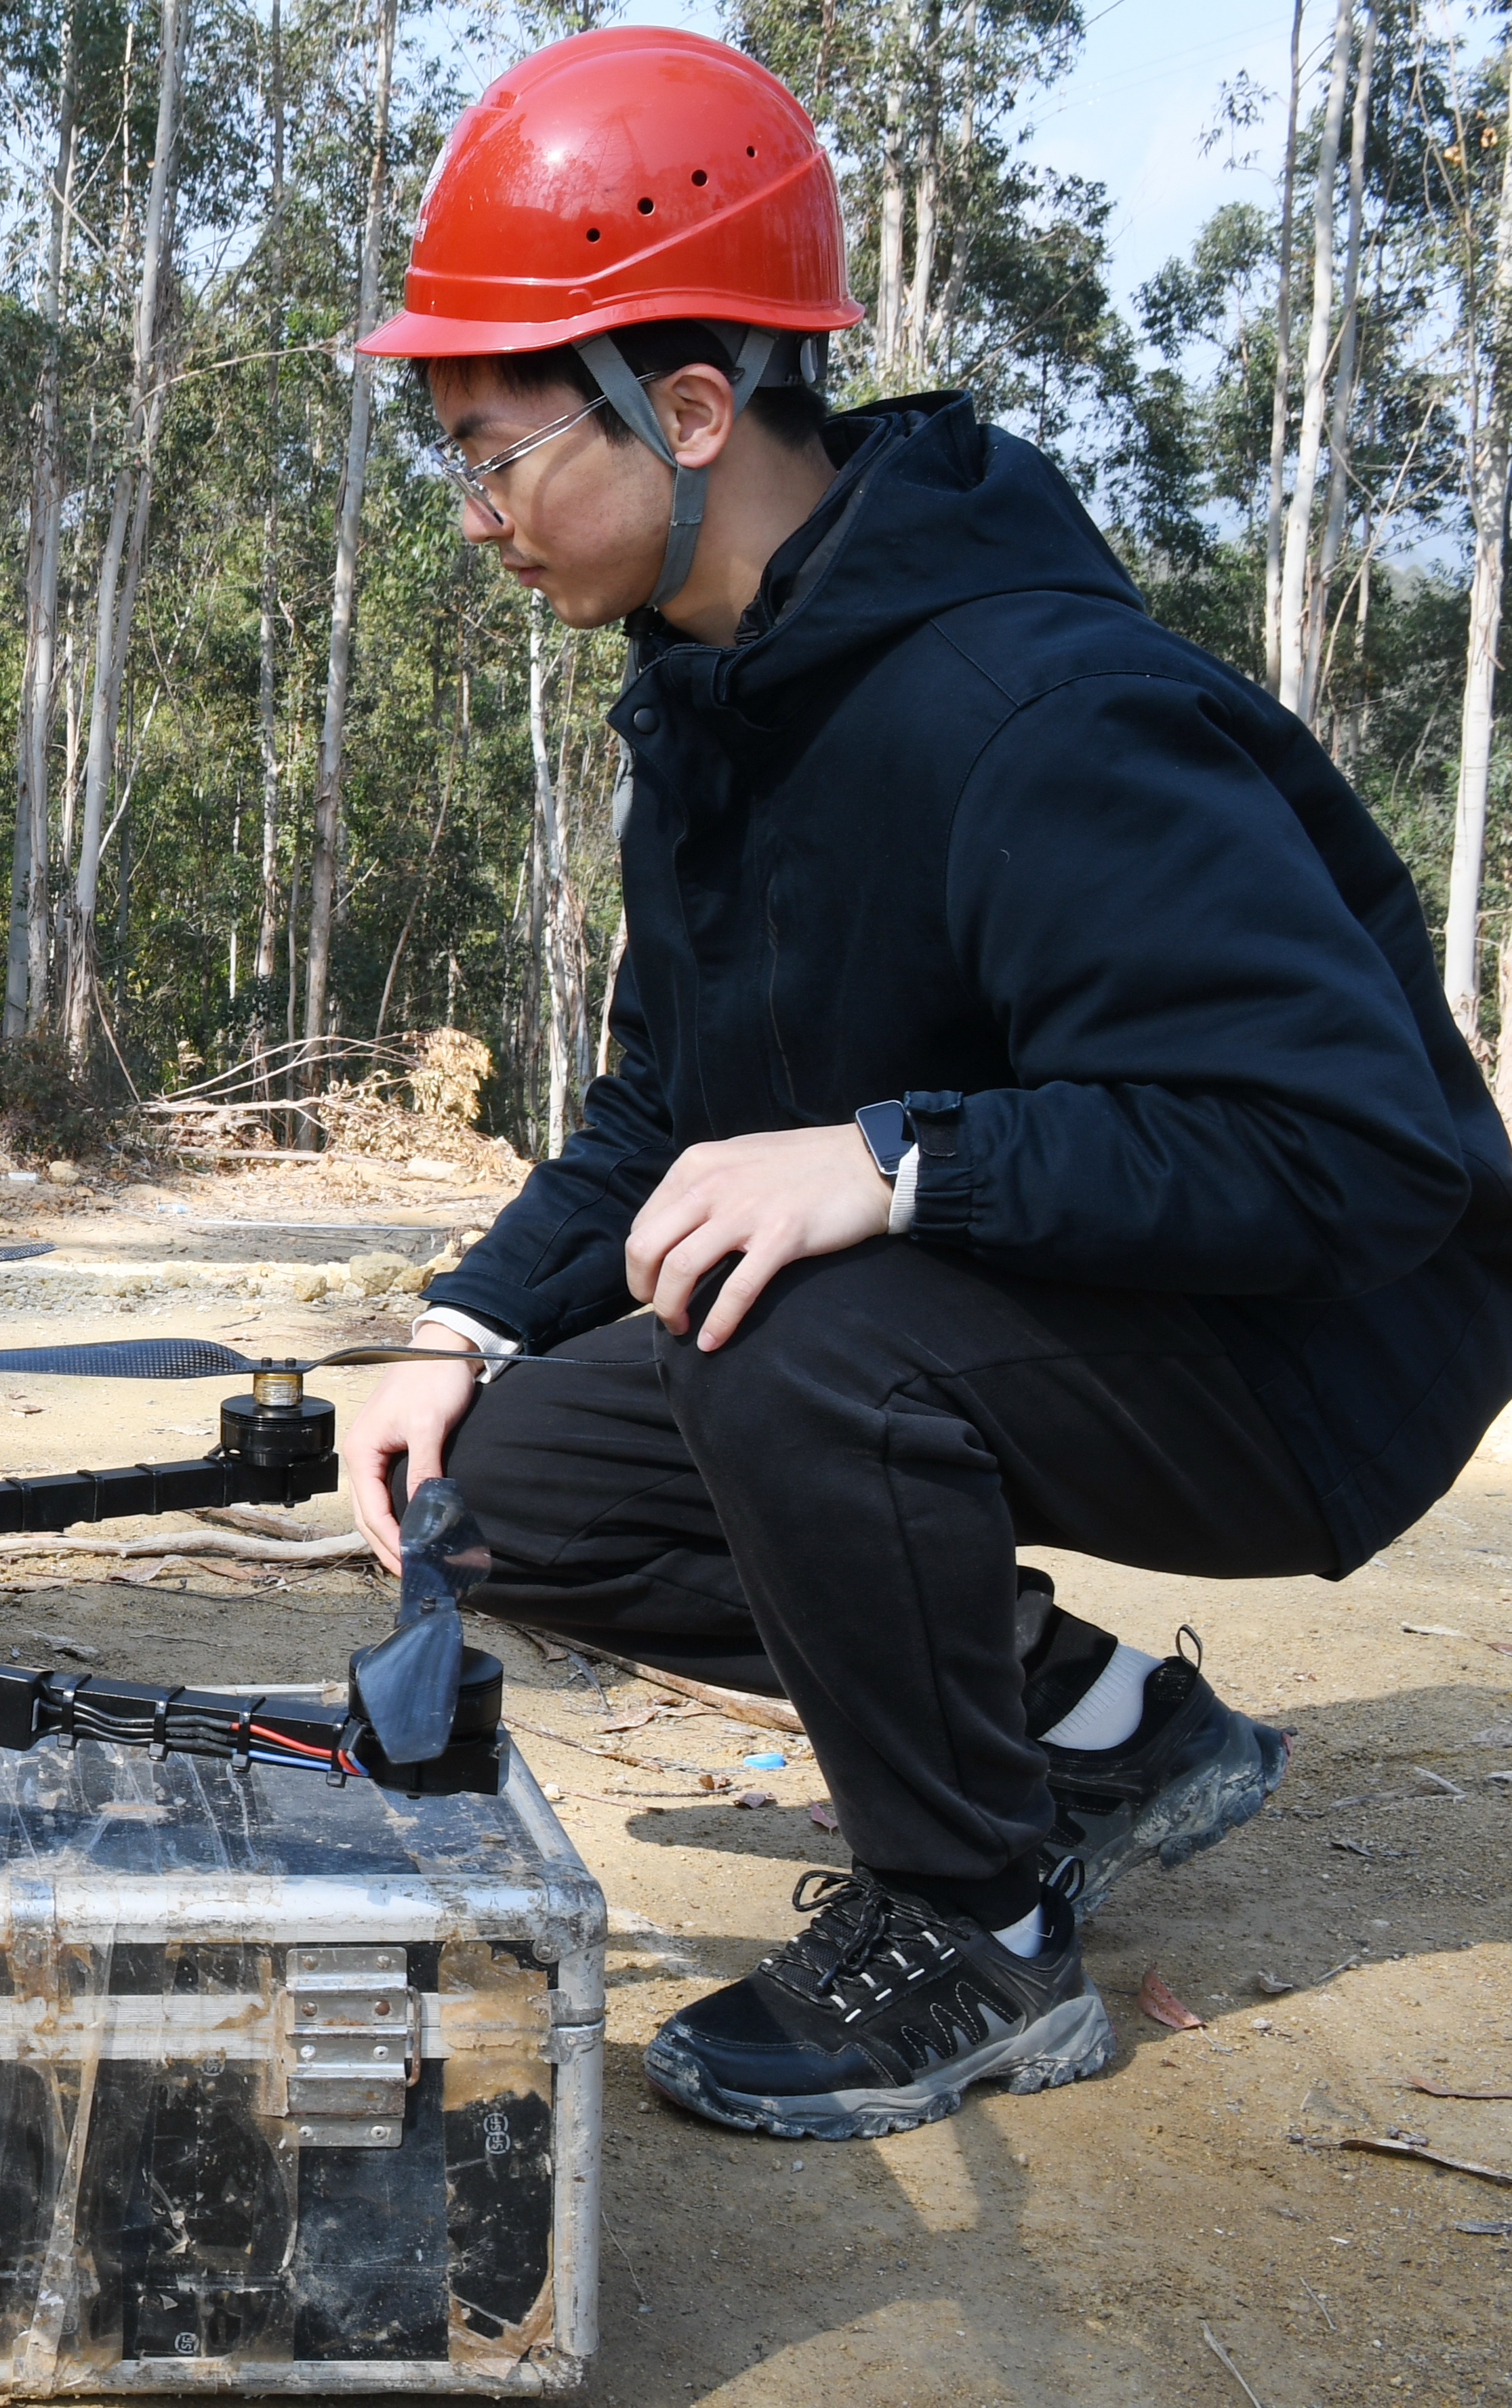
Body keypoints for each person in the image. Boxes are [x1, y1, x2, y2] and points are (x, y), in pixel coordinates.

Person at [339, 26, 1512, 2142]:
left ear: (688, 410)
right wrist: (461, 1323)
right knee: (504, 1497)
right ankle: (1098, 1729)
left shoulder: (1032, 707)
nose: (479, 516)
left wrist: (891, 1158)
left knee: (792, 1327)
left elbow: (1354, 1151)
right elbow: (659, 1113)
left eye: (494, 450)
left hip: (1308, 1357)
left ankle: (977, 1931)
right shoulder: (713, 702)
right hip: (1040, 1292)